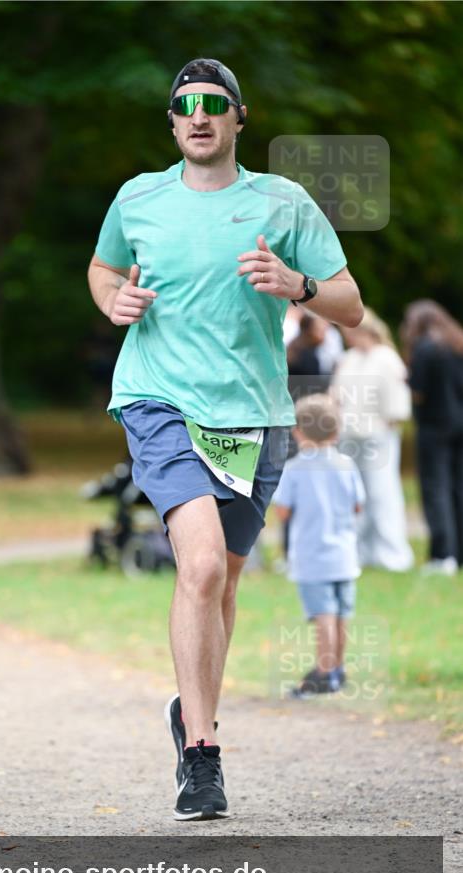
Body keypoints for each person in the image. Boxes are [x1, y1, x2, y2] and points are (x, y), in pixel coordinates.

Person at [87, 57, 363, 820]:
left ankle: (189, 710)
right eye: (184, 106)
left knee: (227, 580)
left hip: (253, 415)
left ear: (240, 118)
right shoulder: (137, 197)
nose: (199, 116)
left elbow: (349, 304)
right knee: (200, 566)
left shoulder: (282, 202)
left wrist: (296, 284)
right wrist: (116, 300)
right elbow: (102, 267)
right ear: (172, 123)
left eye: (214, 104)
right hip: (158, 400)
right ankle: (202, 756)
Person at [272, 394, 365, 696]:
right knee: (340, 615)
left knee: (322, 615)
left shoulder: (296, 468)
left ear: (297, 431)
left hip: (312, 556)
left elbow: (282, 511)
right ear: (336, 432)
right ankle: (337, 667)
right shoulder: (347, 464)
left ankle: (323, 673)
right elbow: (357, 506)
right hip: (345, 556)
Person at [330, 308, 414, 571]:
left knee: (382, 493)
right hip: (349, 436)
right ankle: (361, 552)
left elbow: (397, 403)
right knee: (356, 496)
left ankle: (393, 554)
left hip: (378, 438)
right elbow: (337, 394)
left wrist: (385, 425)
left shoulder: (387, 358)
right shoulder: (349, 359)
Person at [401, 300, 463, 574]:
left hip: (434, 425)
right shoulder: (455, 345)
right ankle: (457, 553)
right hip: (459, 423)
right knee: (457, 488)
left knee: (435, 489)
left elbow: (418, 391)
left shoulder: (426, 349)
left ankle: (442, 553)